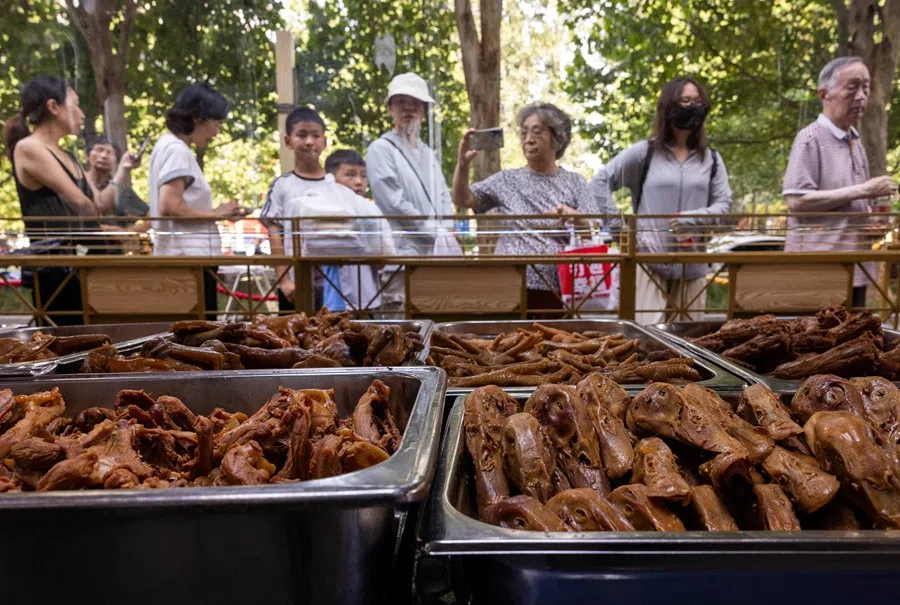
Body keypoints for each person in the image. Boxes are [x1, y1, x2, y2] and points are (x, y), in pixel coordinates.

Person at [591, 77, 733, 325]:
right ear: (669, 106)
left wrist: (692, 219)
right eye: (686, 101)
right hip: (648, 265)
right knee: (646, 340)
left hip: (693, 266)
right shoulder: (644, 153)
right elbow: (599, 183)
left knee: (689, 345)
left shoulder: (711, 160)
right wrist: (621, 231)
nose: (693, 108)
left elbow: (723, 204)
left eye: (698, 102)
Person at [452, 102, 596, 315]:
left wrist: (576, 218)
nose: (528, 139)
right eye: (524, 132)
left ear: (557, 138)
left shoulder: (575, 182)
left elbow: (595, 226)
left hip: (559, 289)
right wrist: (462, 164)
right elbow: (463, 199)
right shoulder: (506, 179)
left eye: (537, 132)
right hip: (508, 285)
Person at [783, 56, 898, 309]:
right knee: (817, 344)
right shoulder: (809, 139)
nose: (861, 96)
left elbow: (850, 204)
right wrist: (865, 190)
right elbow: (796, 202)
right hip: (818, 270)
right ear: (824, 93)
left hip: (855, 267)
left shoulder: (856, 142)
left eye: (865, 87)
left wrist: (871, 220)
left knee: (849, 343)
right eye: (852, 87)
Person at [261, 107, 394, 314]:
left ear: (324, 140)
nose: (309, 142)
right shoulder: (283, 185)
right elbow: (274, 232)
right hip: (300, 280)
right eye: (301, 135)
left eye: (315, 135)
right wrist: (284, 280)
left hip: (347, 285)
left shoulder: (341, 187)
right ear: (288, 140)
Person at [4, 76, 112, 325]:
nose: (82, 114)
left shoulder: (67, 155)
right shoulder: (29, 147)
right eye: (75, 104)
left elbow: (101, 205)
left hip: (77, 266)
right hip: (54, 271)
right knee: (63, 342)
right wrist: (98, 218)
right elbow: (83, 204)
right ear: (53, 107)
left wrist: (120, 171)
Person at [148, 82, 243, 318]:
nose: (217, 131)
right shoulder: (177, 150)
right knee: (199, 330)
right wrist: (217, 214)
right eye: (216, 123)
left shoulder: (167, 145)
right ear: (198, 118)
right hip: (189, 260)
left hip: (183, 257)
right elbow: (171, 206)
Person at [366, 72, 454, 255]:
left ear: (424, 111)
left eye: (415, 103)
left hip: (437, 253)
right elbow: (395, 204)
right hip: (403, 256)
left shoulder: (428, 154)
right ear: (390, 108)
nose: (409, 108)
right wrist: (437, 233)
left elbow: (443, 196)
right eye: (401, 102)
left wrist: (447, 229)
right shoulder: (381, 150)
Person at [85, 135, 148, 217]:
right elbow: (100, 206)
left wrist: (131, 229)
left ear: (116, 161)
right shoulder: (79, 181)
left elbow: (150, 216)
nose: (104, 156)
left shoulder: (123, 192)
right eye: (99, 150)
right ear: (87, 154)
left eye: (109, 153)